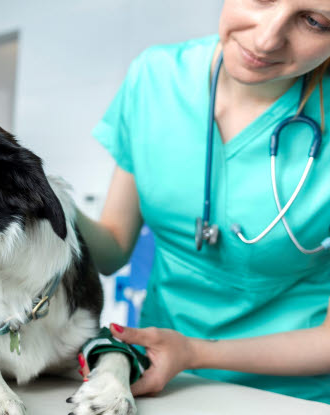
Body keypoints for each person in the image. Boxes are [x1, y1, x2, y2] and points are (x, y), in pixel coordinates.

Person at [76, 0, 330, 403]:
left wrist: (194, 352)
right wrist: (45, 195)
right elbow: (112, 249)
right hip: (160, 383)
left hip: (290, 397)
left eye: (315, 21)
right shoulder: (155, 77)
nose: (266, 39)